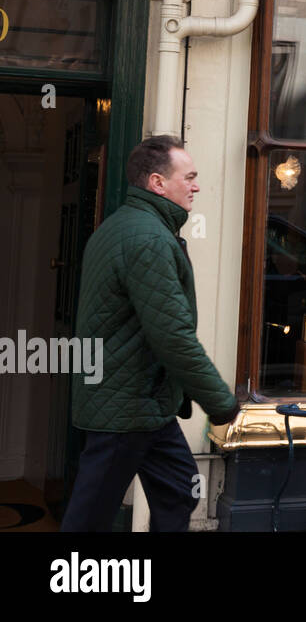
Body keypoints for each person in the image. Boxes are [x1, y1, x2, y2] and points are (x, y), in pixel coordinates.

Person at [61, 135, 239, 532]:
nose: (196, 186)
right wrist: (222, 403)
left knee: (179, 488)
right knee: (88, 519)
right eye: (189, 177)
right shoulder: (146, 238)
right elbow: (172, 335)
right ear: (158, 183)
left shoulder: (128, 227)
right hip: (125, 408)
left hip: (144, 406)